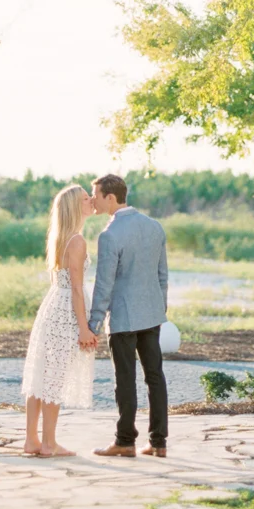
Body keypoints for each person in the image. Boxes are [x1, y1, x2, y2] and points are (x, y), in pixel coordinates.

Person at [87, 173, 169, 458]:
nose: (92, 200)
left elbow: (104, 284)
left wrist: (93, 323)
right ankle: (159, 443)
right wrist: (161, 309)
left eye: (95, 195)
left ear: (110, 197)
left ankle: (125, 441)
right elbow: (162, 276)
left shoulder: (110, 235)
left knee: (126, 380)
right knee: (155, 377)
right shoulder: (154, 227)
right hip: (152, 315)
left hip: (123, 317)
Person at [20, 184, 99, 456]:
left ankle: (32, 439)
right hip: (66, 310)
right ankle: (49, 443)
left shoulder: (59, 237)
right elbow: (76, 288)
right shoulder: (76, 241)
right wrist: (84, 328)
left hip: (52, 306)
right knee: (54, 376)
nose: (92, 202)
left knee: (40, 374)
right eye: (87, 199)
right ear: (76, 207)